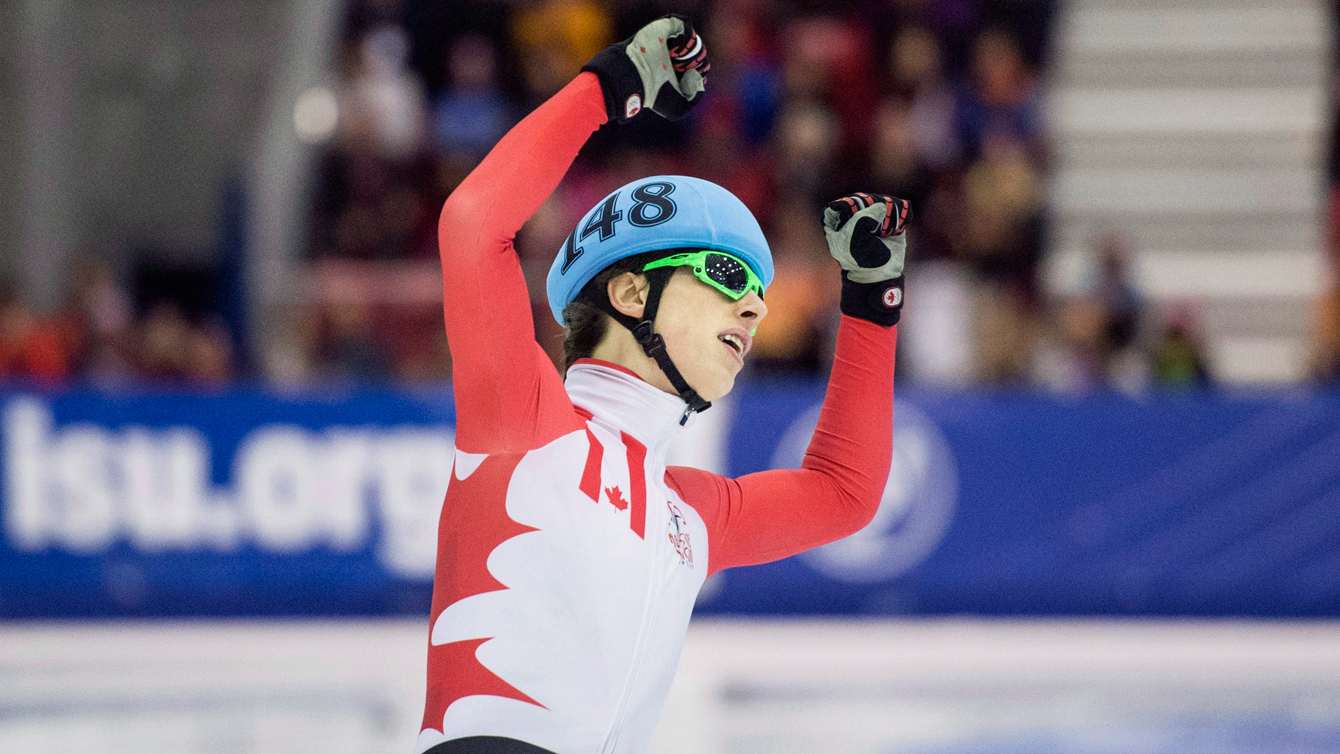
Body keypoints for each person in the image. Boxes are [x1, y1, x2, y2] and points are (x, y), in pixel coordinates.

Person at [420, 16, 907, 754]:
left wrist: (872, 306)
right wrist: (606, 88)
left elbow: (844, 494)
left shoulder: (685, 515)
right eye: (726, 274)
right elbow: (472, 223)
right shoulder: (526, 422)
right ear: (629, 294)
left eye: (760, 290)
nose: (754, 306)